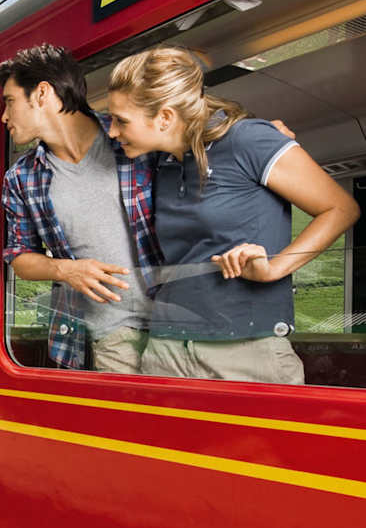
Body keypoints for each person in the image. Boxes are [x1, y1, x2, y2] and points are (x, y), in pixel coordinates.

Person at [106, 46, 360, 383]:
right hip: (165, 348)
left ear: (165, 118)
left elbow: (341, 208)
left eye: (121, 121)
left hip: (245, 349)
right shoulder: (163, 161)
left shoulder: (249, 140)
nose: (112, 131)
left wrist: (275, 268)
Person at [0, 44, 161, 373]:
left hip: (176, 327)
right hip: (110, 337)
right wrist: (65, 271)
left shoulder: (131, 136)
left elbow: (197, 130)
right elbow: (19, 256)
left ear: (42, 93)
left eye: (10, 101)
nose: (4, 116)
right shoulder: (21, 177)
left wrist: (260, 138)